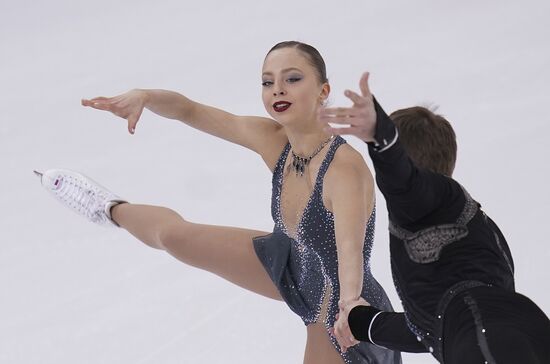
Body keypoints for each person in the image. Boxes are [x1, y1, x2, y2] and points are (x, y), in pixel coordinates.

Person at [37, 42, 401, 364]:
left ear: (323, 90)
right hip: (292, 265)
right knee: (176, 237)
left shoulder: (344, 170)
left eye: (292, 79)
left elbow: (351, 253)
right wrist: (145, 96)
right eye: (267, 81)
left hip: (338, 307)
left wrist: (350, 307)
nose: (277, 89)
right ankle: (108, 207)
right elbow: (191, 111)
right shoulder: (273, 140)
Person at [322, 72, 550, 363]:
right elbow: (434, 328)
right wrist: (364, 323)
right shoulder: (472, 225)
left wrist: (382, 137)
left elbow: (402, 182)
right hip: (516, 334)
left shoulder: (426, 200)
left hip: (487, 339)